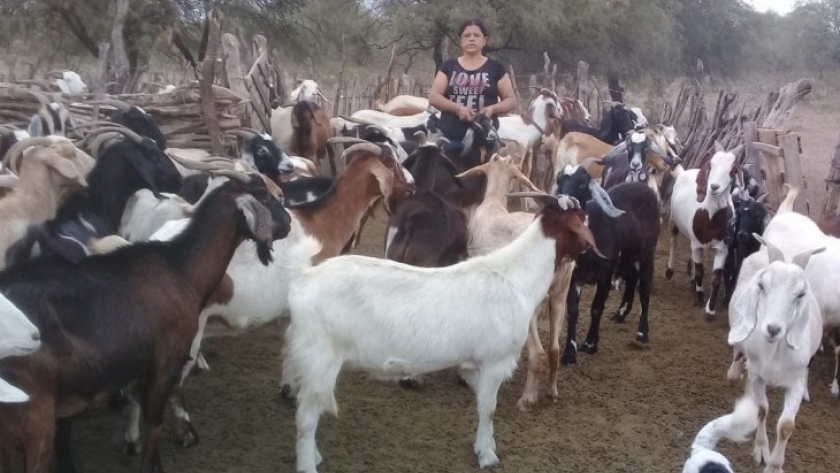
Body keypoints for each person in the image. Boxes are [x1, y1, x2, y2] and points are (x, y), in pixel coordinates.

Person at [428, 18, 517, 147]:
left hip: (485, 139)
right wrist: (457, 109)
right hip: (449, 137)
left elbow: (511, 100)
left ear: (484, 41)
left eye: (476, 35)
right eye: (467, 35)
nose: (471, 39)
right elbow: (434, 97)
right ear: (460, 41)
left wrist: (492, 109)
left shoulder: (496, 68)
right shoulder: (448, 66)